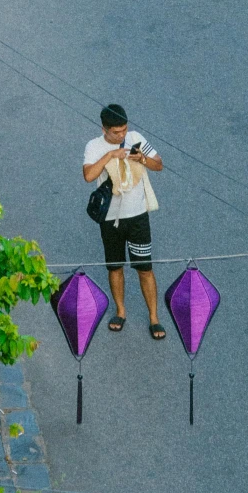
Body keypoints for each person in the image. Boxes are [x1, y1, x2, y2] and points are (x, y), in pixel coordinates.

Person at [82, 106, 165, 338]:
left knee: (145, 269)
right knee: (115, 267)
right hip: (110, 219)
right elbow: (88, 175)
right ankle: (120, 311)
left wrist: (143, 159)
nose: (122, 136)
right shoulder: (93, 146)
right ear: (104, 129)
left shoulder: (136, 138)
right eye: (116, 132)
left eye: (124, 130)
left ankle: (154, 317)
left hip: (138, 216)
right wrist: (110, 155)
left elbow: (159, 164)